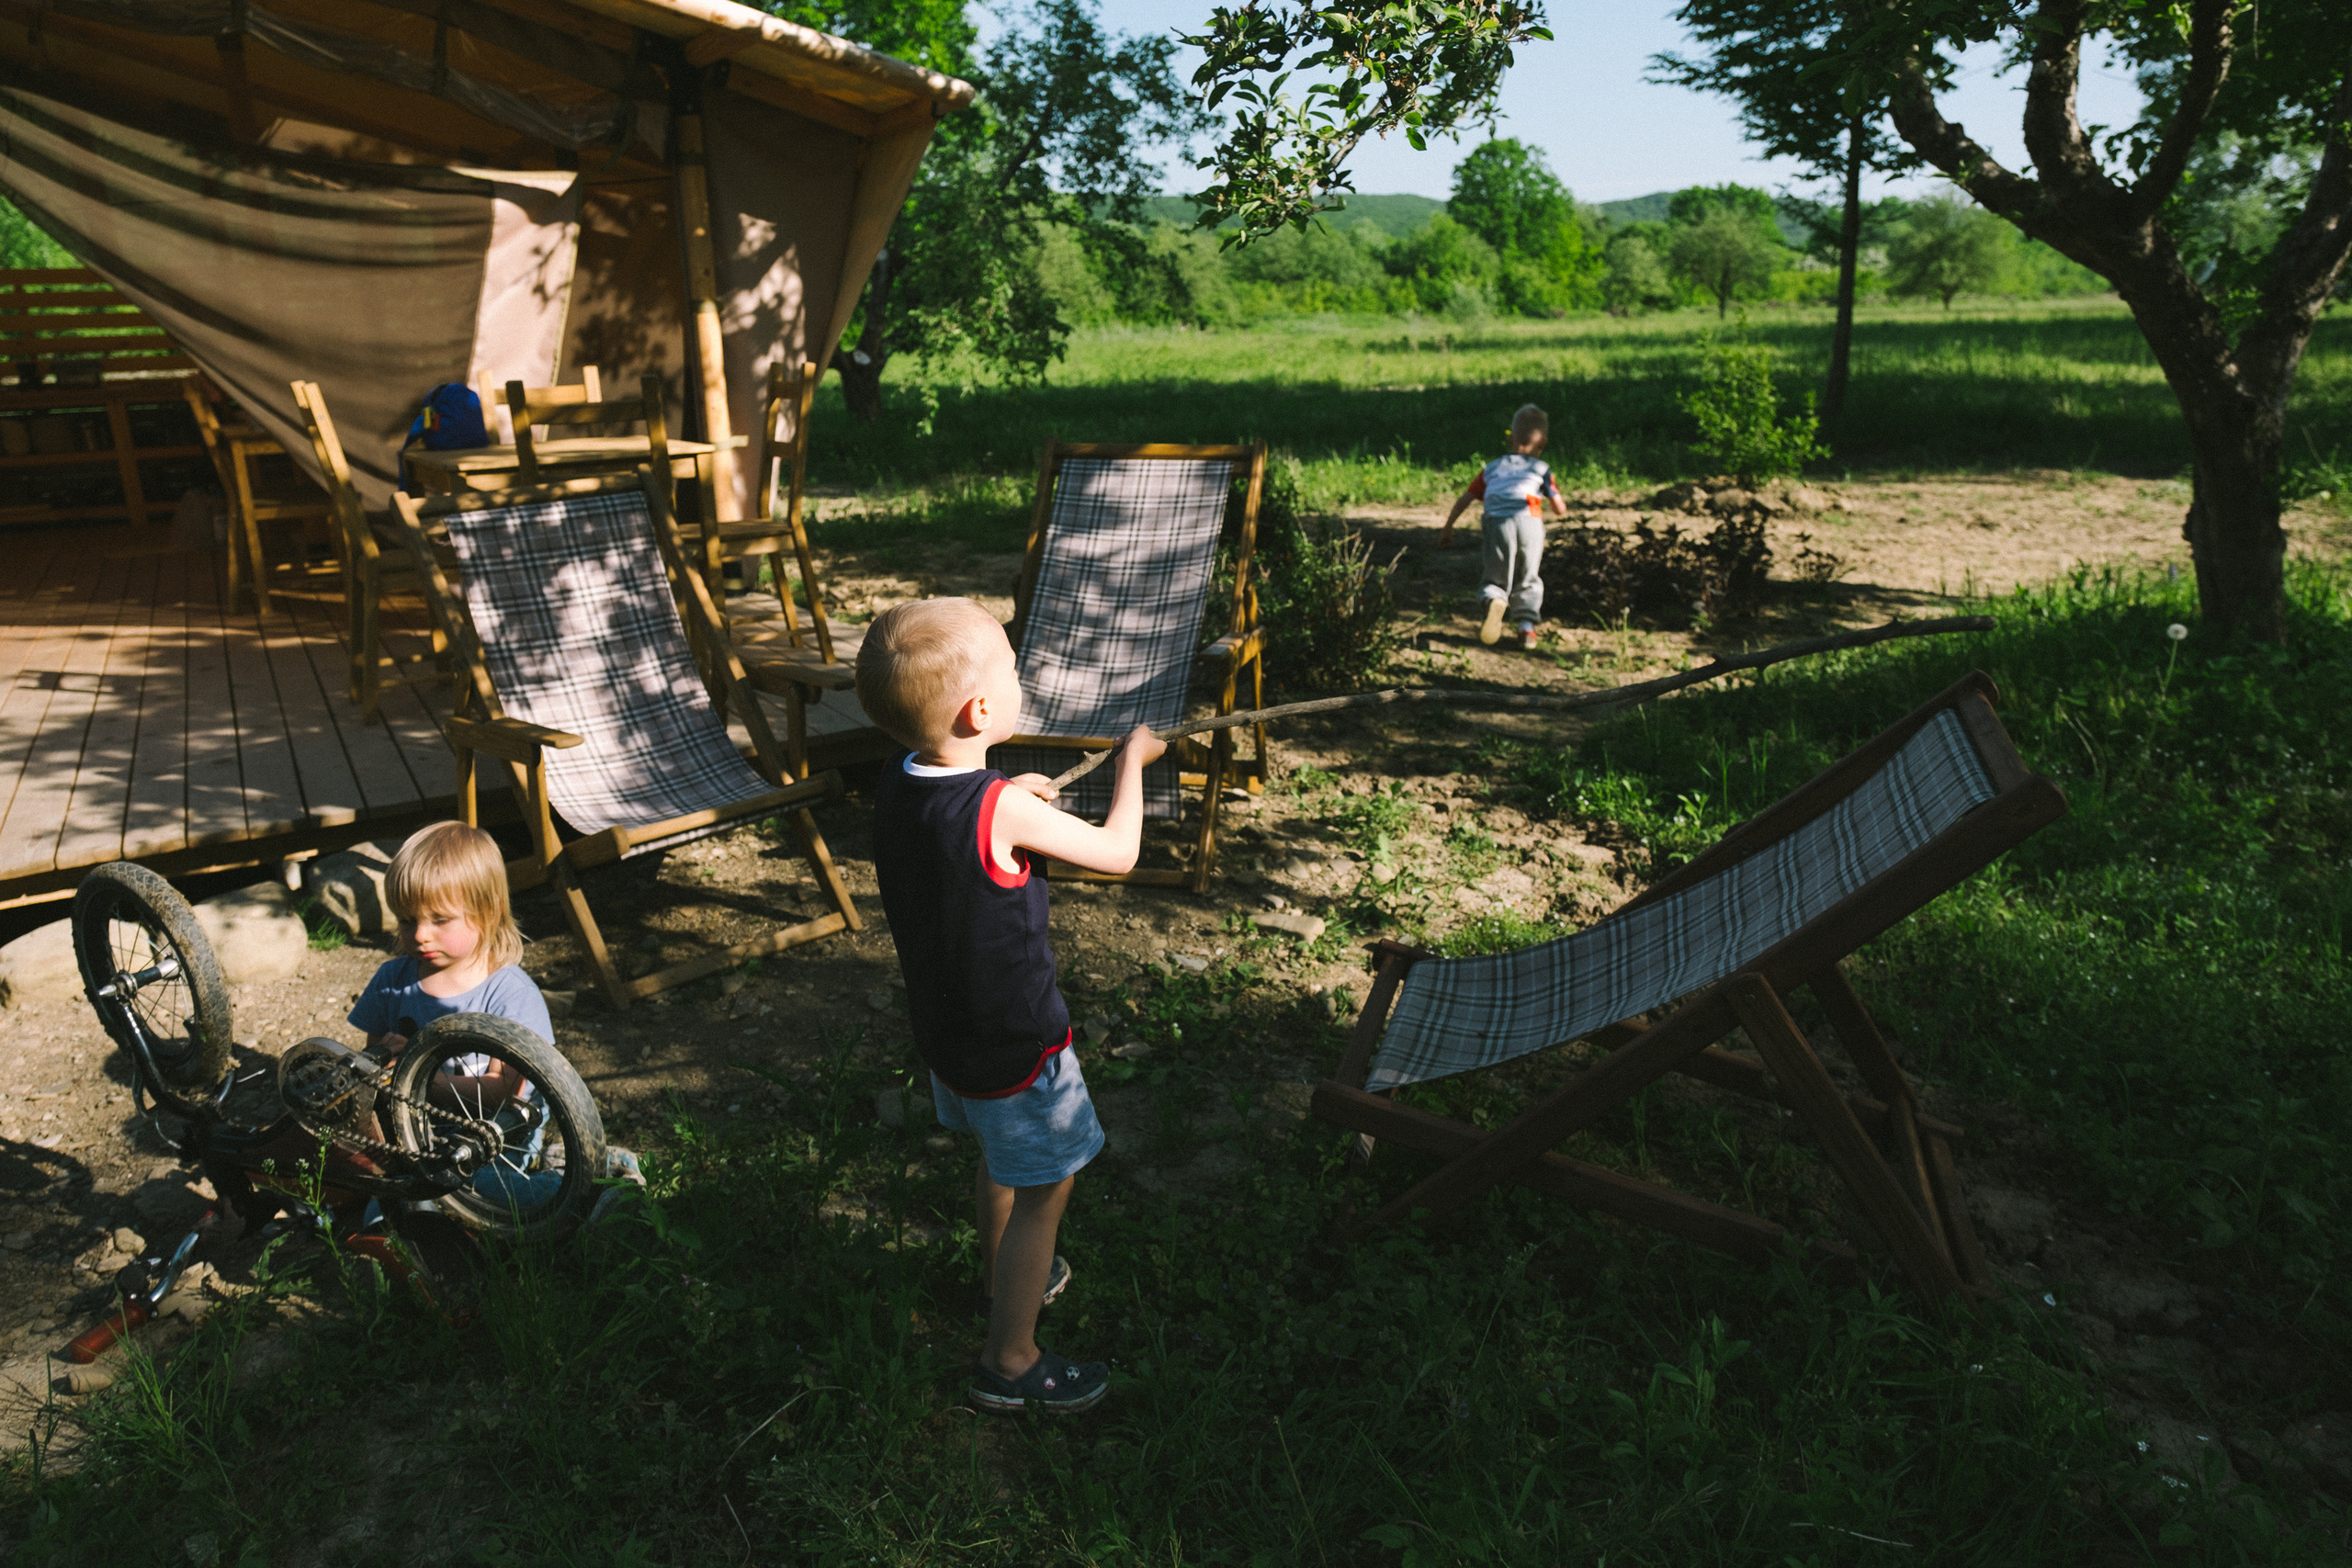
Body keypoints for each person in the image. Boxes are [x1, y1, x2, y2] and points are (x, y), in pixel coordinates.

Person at [856, 597, 1163, 1416]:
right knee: (1047, 1184)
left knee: (1000, 1152)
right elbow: (1119, 852)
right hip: (1018, 1041)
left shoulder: (902, 777)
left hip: (949, 1034)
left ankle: (1001, 1276)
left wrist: (1008, 791)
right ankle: (1011, 1357)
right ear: (981, 710)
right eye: (1013, 673)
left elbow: (964, 814)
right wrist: (1134, 759)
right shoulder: (999, 809)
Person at [1438, 402, 1568, 651]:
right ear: (1543, 444)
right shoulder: (1541, 469)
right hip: (1529, 520)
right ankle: (1526, 628)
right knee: (1529, 574)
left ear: (1511, 441)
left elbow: (1465, 499)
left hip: (1497, 522)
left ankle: (1494, 598)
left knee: (1496, 573)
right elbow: (1559, 508)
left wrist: (1448, 528)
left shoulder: (1493, 468)